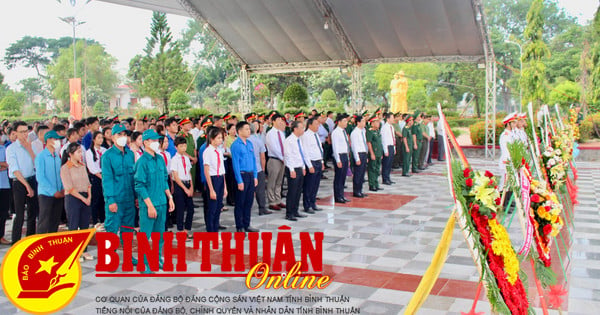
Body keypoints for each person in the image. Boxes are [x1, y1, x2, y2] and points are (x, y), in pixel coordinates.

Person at [134, 129, 175, 273]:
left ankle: (157, 258)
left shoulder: (159, 159)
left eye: (158, 140)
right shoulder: (142, 162)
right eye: (153, 140)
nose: (157, 143)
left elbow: (164, 180)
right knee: (145, 235)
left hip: (162, 202)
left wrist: (170, 198)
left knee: (160, 234)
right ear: (146, 142)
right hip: (149, 205)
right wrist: (149, 206)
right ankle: (144, 264)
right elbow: (140, 186)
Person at [102, 124, 137, 250]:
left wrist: (136, 196)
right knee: (111, 229)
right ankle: (109, 258)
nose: (123, 137)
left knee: (128, 229)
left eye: (124, 134)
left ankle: (128, 256)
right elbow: (107, 180)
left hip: (129, 198)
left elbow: (133, 176)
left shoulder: (130, 154)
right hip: (116, 198)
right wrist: (110, 200)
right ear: (112, 138)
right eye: (119, 134)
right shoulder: (107, 156)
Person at [60, 143, 94, 260]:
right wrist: (83, 199)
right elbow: (69, 187)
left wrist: (89, 197)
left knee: (84, 225)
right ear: (71, 154)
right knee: (73, 225)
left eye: (81, 152)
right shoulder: (65, 168)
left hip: (85, 196)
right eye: (78, 152)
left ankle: (84, 250)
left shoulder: (82, 166)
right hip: (73, 198)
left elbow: (88, 183)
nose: (81, 154)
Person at [7, 121, 39, 244]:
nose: (25, 134)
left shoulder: (32, 146)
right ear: (15, 133)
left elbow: (37, 163)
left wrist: (29, 149)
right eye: (22, 132)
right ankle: (16, 242)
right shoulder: (11, 148)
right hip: (19, 182)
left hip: (32, 178)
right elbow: (14, 169)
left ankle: (30, 240)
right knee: (19, 214)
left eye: (26, 131)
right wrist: (27, 186)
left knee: (32, 213)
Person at [230, 121, 259, 232]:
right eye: (246, 129)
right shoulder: (236, 145)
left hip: (251, 174)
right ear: (239, 131)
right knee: (240, 202)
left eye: (248, 129)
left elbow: (253, 160)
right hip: (242, 175)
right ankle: (240, 226)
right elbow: (235, 164)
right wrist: (239, 180)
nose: (249, 131)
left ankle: (247, 224)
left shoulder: (250, 143)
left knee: (249, 201)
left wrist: (255, 176)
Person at [35, 130, 65, 234]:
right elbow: (40, 177)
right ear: (48, 140)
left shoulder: (57, 156)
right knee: (44, 221)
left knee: (55, 221)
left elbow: (60, 174)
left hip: (59, 193)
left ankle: (51, 245)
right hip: (46, 194)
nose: (57, 142)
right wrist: (53, 191)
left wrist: (62, 189)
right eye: (55, 139)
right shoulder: (41, 156)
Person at [283, 121, 310, 221]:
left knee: (298, 191)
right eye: (301, 127)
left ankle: (295, 210)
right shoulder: (289, 140)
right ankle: (289, 213)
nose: (303, 129)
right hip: (292, 168)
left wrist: (303, 167)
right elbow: (288, 156)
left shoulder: (299, 140)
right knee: (292, 191)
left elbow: (301, 154)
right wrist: (291, 169)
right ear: (295, 129)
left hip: (299, 167)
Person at [203, 128, 227, 232]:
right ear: (212, 139)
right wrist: (211, 189)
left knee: (218, 208)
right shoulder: (208, 151)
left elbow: (222, 169)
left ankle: (215, 229)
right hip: (213, 179)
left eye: (221, 138)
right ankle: (211, 231)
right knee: (212, 208)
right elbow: (206, 171)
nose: (221, 140)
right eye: (218, 138)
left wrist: (225, 186)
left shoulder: (219, 151)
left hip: (220, 178)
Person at [170, 136, 195, 237]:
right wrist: (185, 189)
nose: (183, 148)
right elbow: (175, 176)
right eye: (181, 146)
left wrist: (191, 187)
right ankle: (180, 230)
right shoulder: (174, 159)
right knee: (180, 209)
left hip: (187, 183)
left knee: (191, 209)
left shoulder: (186, 158)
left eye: (184, 146)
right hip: (179, 185)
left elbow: (189, 173)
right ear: (176, 147)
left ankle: (186, 229)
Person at [301, 116, 324, 213]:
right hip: (311, 162)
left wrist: (322, 161)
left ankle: (313, 203)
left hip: (318, 160)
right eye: (316, 124)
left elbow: (319, 149)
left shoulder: (316, 135)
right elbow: (305, 152)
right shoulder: (306, 135)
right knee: (309, 185)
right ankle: (307, 205)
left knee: (315, 185)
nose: (318, 126)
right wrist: (309, 165)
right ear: (310, 125)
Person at [249, 120, 271, 216]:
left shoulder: (243, 141)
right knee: (260, 190)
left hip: (246, 170)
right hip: (258, 169)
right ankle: (262, 208)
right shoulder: (258, 140)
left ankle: (247, 209)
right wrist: (262, 168)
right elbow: (262, 156)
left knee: (248, 191)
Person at [265, 113, 287, 211]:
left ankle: (278, 199)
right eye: (278, 120)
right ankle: (271, 201)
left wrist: (285, 157)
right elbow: (274, 148)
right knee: (272, 181)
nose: (280, 122)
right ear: (273, 121)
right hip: (274, 159)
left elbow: (284, 146)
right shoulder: (270, 133)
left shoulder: (281, 133)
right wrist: (281, 157)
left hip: (282, 159)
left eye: (281, 120)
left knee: (279, 181)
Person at [85, 131, 106, 230]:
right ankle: (95, 220)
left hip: (104, 176)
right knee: (95, 200)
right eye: (98, 138)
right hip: (96, 178)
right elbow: (92, 168)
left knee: (103, 199)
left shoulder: (104, 150)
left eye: (102, 138)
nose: (101, 140)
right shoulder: (89, 152)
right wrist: (101, 177)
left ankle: (103, 219)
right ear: (94, 139)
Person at [331, 114, 350, 203]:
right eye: (344, 121)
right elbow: (335, 147)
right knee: (338, 177)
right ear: (339, 122)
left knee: (343, 177)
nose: (346, 123)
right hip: (339, 156)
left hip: (345, 155)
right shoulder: (336, 132)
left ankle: (341, 194)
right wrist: (338, 159)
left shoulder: (343, 131)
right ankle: (337, 196)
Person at [499, 112, 517, 191]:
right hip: (507, 162)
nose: (514, 124)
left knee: (510, 184)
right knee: (504, 184)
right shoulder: (505, 135)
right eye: (513, 122)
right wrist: (508, 162)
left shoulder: (511, 134)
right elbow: (506, 150)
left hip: (511, 162)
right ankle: (502, 201)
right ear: (508, 124)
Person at [350, 115, 368, 198]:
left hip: (363, 153)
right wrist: (357, 158)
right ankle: (356, 191)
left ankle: (360, 190)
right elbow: (354, 146)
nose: (365, 123)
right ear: (358, 122)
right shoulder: (355, 133)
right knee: (358, 173)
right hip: (358, 154)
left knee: (362, 174)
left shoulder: (363, 131)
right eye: (363, 121)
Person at [366, 115, 383, 191]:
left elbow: (379, 143)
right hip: (373, 153)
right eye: (376, 122)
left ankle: (376, 184)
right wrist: (372, 153)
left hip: (378, 153)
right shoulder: (370, 131)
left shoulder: (377, 131)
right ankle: (372, 184)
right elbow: (369, 143)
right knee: (372, 168)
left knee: (377, 169)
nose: (378, 123)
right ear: (372, 123)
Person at [380, 112, 396, 185]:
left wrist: (394, 148)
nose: (393, 119)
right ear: (388, 118)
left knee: (390, 163)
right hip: (387, 147)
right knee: (386, 163)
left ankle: (388, 177)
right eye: (392, 118)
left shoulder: (391, 127)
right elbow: (384, 140)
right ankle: (385, 178)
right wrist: (385, 150)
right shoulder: (384, 128)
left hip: (391, 146)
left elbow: (393, 138)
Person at [0, 143, 11, 244]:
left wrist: (4, 164)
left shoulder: (5, 149)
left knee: (3, 213)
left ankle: (1, 236)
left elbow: (9, 163)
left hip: (4, 185)